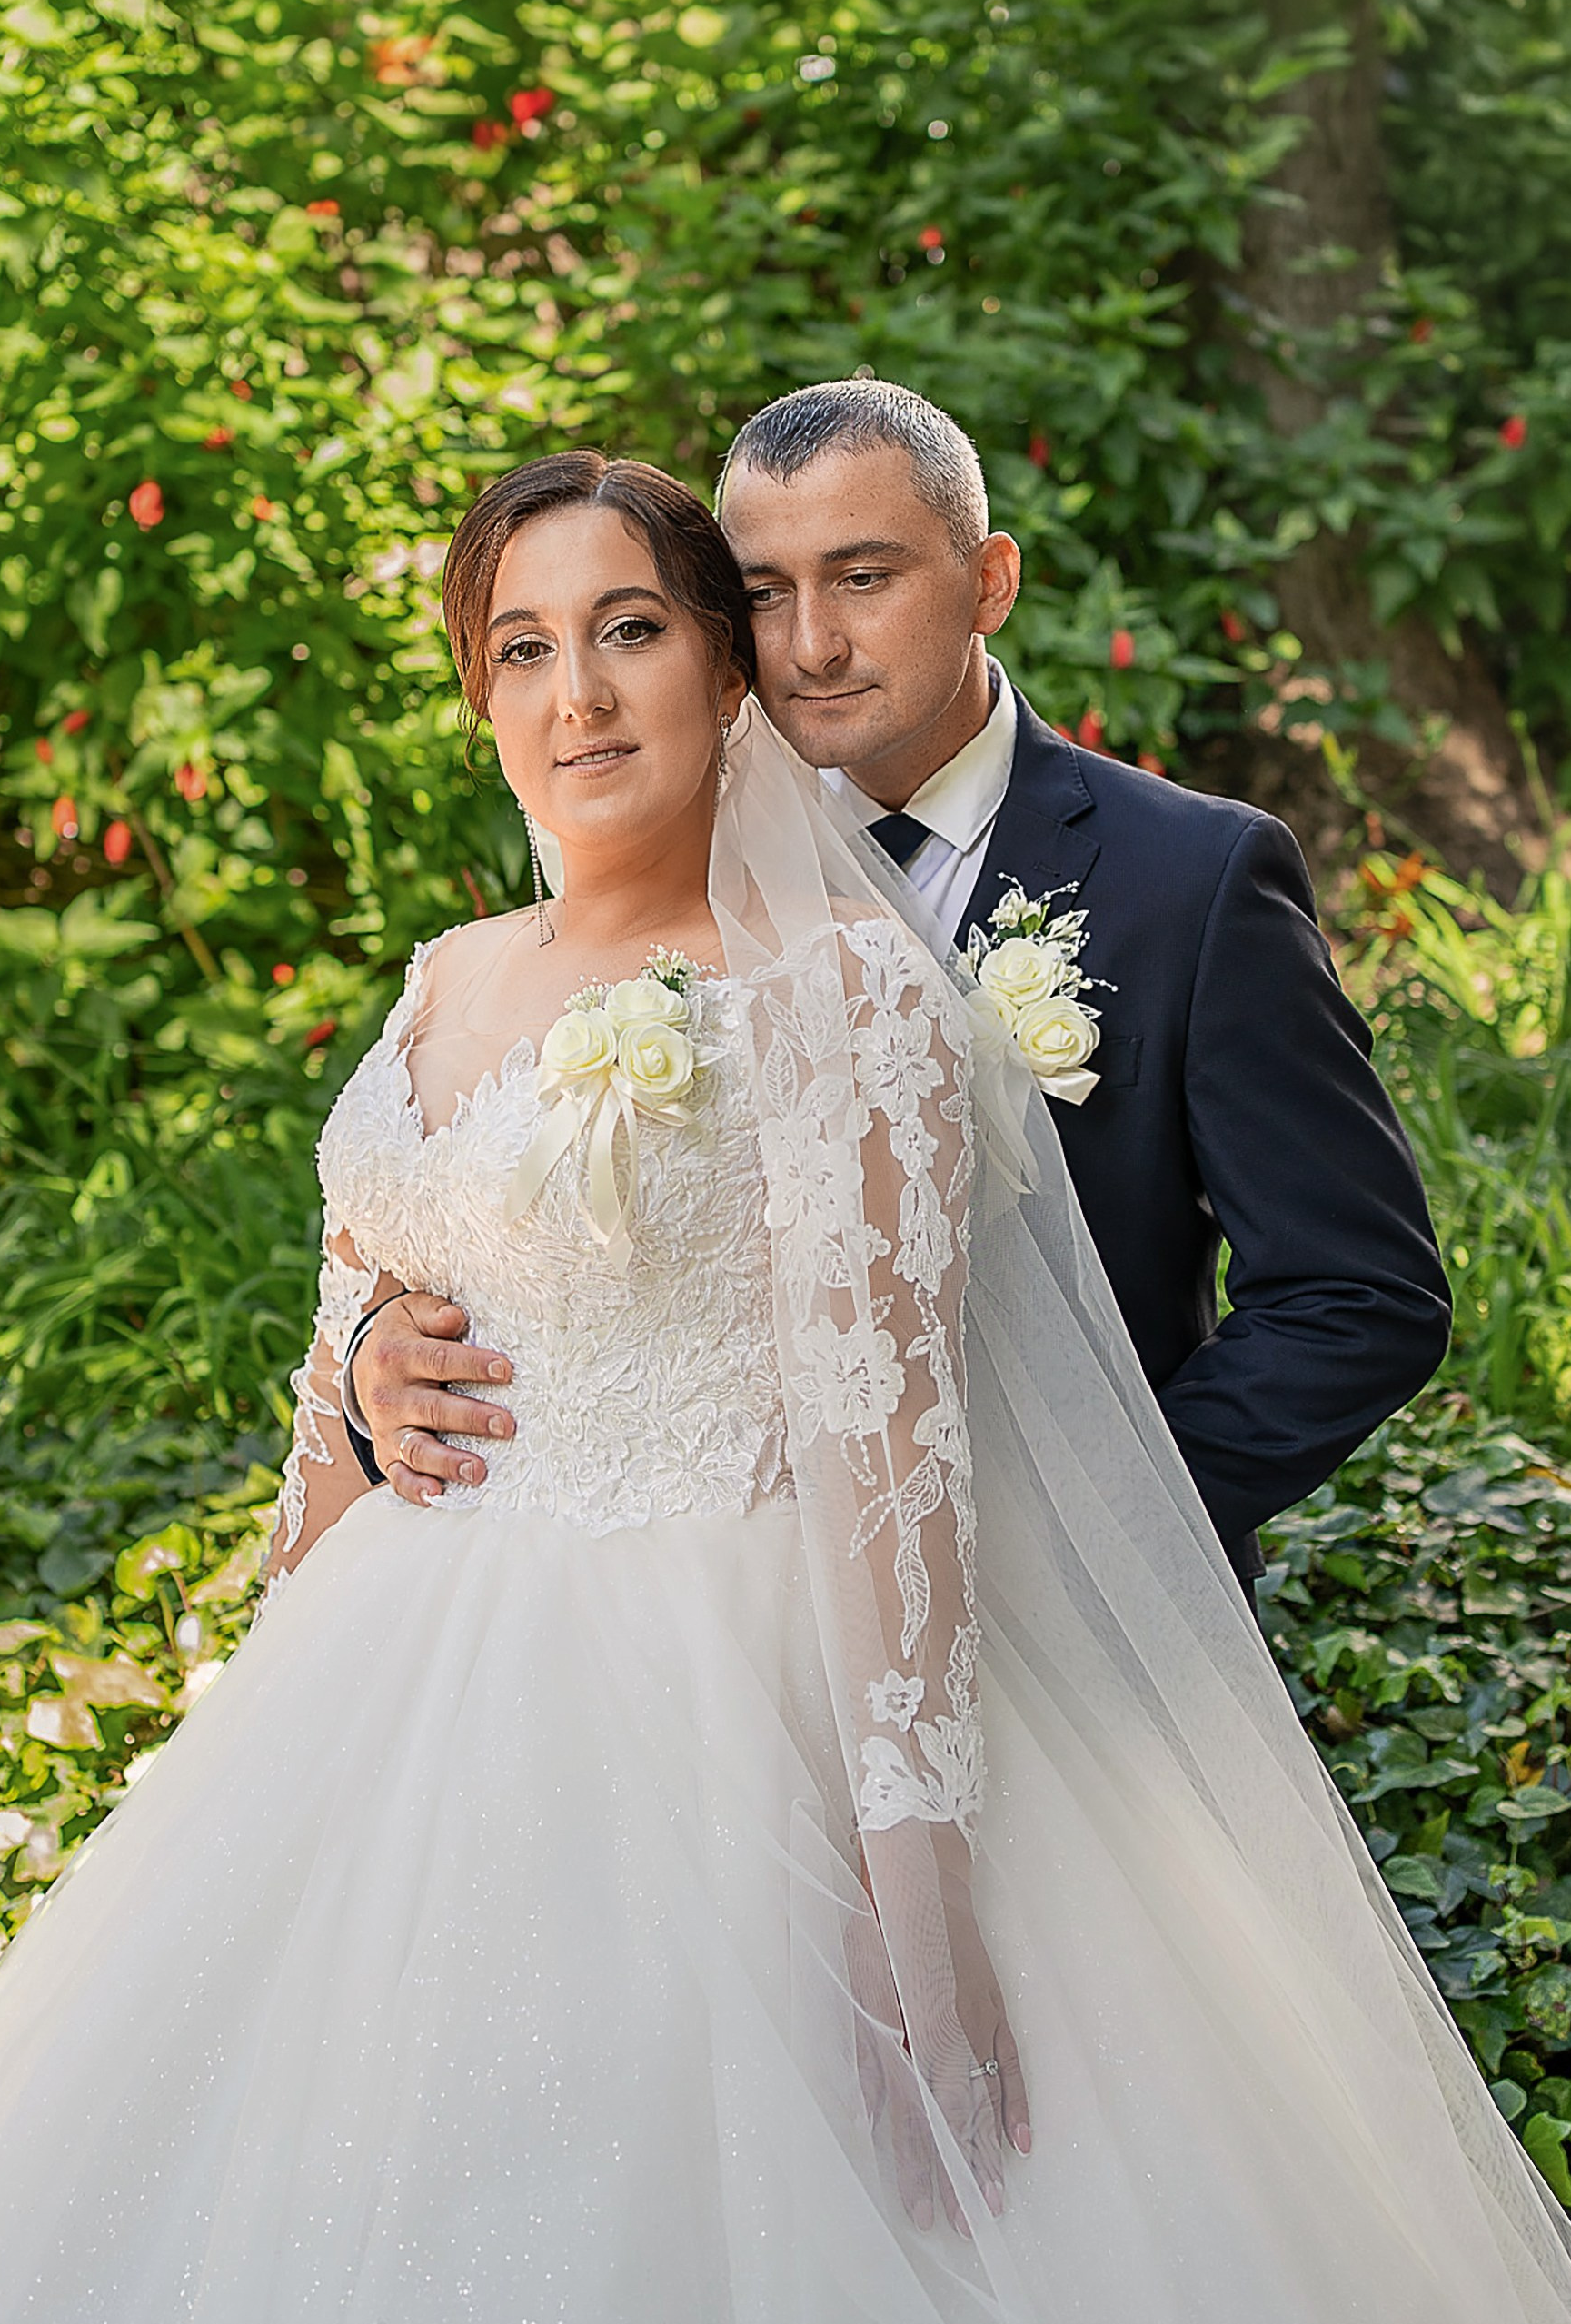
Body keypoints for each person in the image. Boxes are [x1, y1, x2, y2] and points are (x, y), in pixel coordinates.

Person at [0, 449, 1571, 2324]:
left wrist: (923, 1930)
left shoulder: (841, 993)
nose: (577, 693)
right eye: (522, 647)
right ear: (476, 691)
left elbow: (889, 1455)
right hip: (391, 1708)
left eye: (628, 632)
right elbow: (338, 1405)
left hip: (737, 1694)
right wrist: (306, 1548)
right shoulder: (441, 981)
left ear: (720, 674)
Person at [343, 382, 1450, 1597]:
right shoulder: (655, 855)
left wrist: (1082, 1535)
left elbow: (1359, 1293)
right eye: (765, 593)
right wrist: (374, 1363)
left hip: (1078, 1614)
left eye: (863, 578)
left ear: (990, 582)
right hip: (731, 1611)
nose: (811, 644)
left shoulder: (1193, 880)